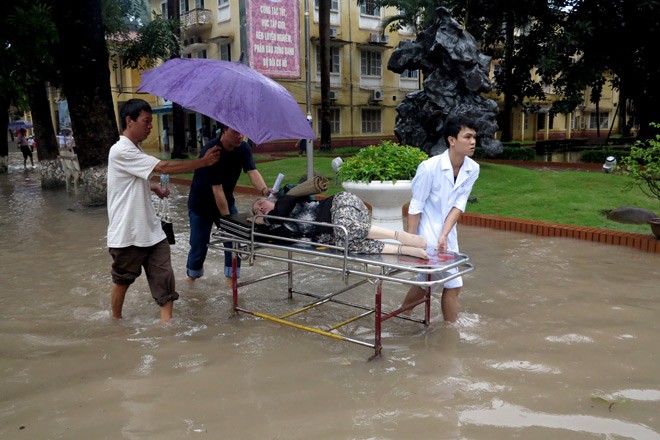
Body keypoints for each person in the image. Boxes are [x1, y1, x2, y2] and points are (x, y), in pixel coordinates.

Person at [107, 99, 220, 323]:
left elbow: (128, 181)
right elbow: (164, 166)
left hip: (153, 232)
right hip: (128, 233)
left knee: (165, 281)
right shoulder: (120, 150)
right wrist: (203, 162)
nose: (150, 126)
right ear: (129, 121)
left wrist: (153, 186)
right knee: (123, 281)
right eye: (146, 121)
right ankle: (116, 321)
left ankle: (166, 330)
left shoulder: (134, 150)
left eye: (151, 121)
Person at [399, 115, 480, 322]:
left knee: (427, 282)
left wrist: (444, 235)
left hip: (447, 233)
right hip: (425, 232)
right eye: (467, 137)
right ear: (452, 140)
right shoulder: (429, 168)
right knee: (454, 283)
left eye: (474, 137)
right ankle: (451, 330)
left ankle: (402, 315)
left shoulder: (472, 168)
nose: (473, 142)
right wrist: (411, 241)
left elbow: (458, 205)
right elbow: (415, 207)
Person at [186, 125, 271, 282]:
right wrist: (228, 220)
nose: (240, 136)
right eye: (235, 132)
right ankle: (192, 278)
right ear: (224, 131)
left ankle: (231, 282)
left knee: (234, 242)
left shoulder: (243, 148)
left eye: (242, 132)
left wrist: (264, 190)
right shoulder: (211, 152)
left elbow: (252, 171)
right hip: (201, 205)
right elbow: (217, 190)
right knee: (199, 246)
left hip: (227, 200)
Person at [251, 192, 428, 259]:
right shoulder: (278, 226)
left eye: (261, 204)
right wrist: (259, 220)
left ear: (270, 200)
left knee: (345, 227)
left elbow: (279, 212)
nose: (260, 208)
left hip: (341, 204)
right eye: (257, 210)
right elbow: (273, 231)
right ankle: (404, 250)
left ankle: (399, 235)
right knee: (347, 244)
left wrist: (263, 217)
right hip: (339, 232)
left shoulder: (286, 199)